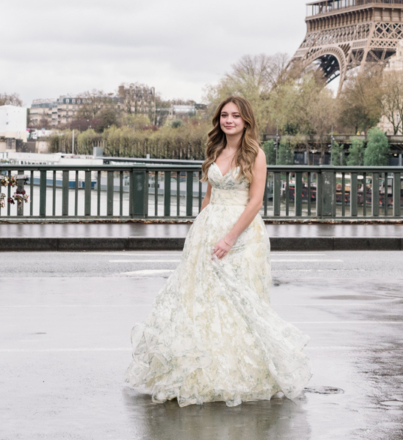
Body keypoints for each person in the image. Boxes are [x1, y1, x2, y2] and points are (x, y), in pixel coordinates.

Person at [125, 95, 311, 407]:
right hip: (208, 232)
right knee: (204, 302)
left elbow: (254, 202)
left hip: (242, 236)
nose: (229, 120)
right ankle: (202, 370)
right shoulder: (215, 151)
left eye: (236, 116)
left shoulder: (255, 155)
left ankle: (238, 373)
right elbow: (208, 198)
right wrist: (200, 231)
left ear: (246, 121)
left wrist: (229, 238)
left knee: (239, 304)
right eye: (224, 115)